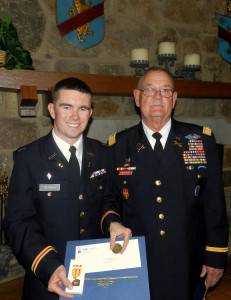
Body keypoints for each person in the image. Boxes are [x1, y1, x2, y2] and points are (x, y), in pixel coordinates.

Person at [106, 67, 229, 300]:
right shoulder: (118, 146)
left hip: (187, 260)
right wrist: (112, 222)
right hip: (138, 258)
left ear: (174, 99)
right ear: (137, 97)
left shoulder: (201, 140)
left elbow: (214, 203)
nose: (157, 97)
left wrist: (215, 256)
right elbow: (110, 200)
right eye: (149, 90)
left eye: (165, 91)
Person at [3, 77, 131, 300]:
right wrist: (48, 265)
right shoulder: (29, 159)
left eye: (82, 108)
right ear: (52, 110)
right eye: (66, 107)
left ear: (90, 113)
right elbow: (18, 222)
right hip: (48, 278)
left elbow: (108, 199)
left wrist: (113, 222)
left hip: (95, 274)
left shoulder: (102, 154)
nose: (75, 116)